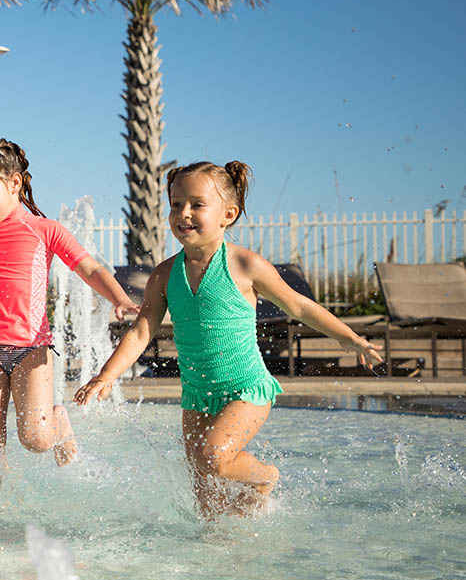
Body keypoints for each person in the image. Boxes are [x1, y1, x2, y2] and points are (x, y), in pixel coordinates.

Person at [74, 160, 383, 517]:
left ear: (228, 214)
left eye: (197, 204)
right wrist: (106, 375)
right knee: (205, 497)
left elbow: (299, 306)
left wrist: (350, 339)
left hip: (246, 389)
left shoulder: (244, 265)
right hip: (196, 393)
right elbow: (142, 330)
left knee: (214, 458)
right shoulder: (164, 274)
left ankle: (264, 477)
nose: (183, 213)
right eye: (175, 204)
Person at [0, 139, 140, 494]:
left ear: (14, 183)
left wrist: (119, 298)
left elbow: (88, 267)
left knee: (36, 439)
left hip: (31, 348)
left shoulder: (44, 230)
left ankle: (58, 420)